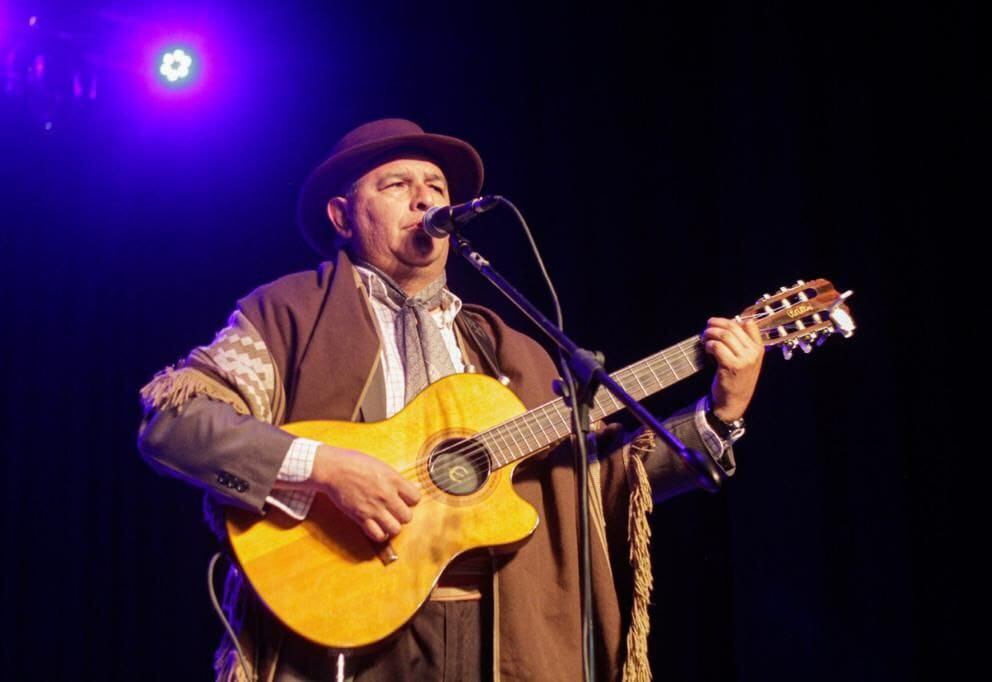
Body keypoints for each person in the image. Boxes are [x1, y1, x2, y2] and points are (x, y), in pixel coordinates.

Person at [137, 118, 765, 682]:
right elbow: (177, 421)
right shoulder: (285, 312)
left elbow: (597, 490)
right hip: (338, 631)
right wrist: (324, 468)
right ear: (341, 215)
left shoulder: (510, 348)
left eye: (437, 186)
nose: (426, 198)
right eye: (396, 185)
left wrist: (721, 411)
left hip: (498, 633)